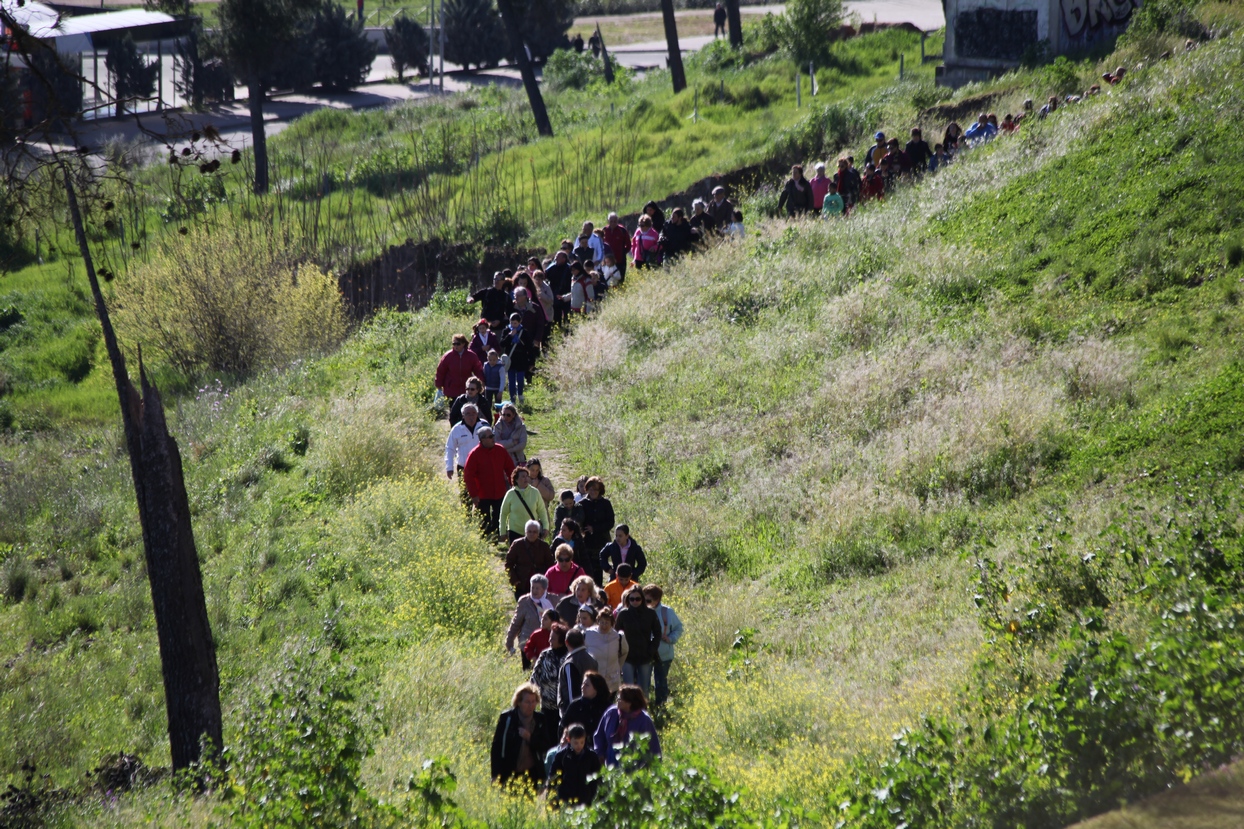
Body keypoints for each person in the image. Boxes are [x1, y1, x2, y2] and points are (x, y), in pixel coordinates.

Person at [491, 682, 553, 788]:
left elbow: (546, 746)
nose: (531, 705)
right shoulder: (507, 719)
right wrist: (495, 774)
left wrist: (530, 738)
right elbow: (497, 748)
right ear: (519, 702)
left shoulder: (540, 720)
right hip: (510, 772)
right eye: (527, 702)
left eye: (533, 701)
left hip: (533, 774)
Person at [463, 425, 515, 537]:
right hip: (483, 494)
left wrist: (514, 486)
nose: (493, 438)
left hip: (500, 492)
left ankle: (496, 538)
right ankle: (486, 540)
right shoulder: (474, 454)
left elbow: (510, 469)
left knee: (499, 517)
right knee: (484, 520)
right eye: (490, 436)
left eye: (493, 435)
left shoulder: (500, 450)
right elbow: (468, 476)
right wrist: (474, 494)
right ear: (482, 439)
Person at [593, 684, 660, 768]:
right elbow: (599, 735)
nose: (617, 700)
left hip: (634, 765)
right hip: (611, 763)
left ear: (630, 702)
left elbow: (653, 747)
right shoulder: (611, 713)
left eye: (620, 698)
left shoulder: (644, 720)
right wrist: (600, 753)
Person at [615, 585, 661, 696]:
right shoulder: (623, 614)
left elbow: (657, 633)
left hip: (645, 655)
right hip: (627, 656)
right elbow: (615, 634)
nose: (635, 601)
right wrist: (619, 651)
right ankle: (627, 711)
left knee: (644, 689)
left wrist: (651, 650)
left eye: (638, 599)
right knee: (628, 688)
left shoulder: (650, 614)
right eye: (632, 599)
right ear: (628, 599)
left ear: (643, 599)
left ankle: (642, 711)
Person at [530, 624, 570, 746]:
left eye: (553, 638)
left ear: (562, 641)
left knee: (561, 739)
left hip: (563, 707)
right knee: (547, 739)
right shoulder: (545, 655)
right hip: (546, 706)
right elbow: (534, 677)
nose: (549, 641)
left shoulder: (569, 656)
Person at [546, 722, 603, 807]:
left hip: (586, 799)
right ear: (569, 739)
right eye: (576, 743)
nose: (579, 746)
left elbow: (598, 777)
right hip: (566, 799)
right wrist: (552, 800)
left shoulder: (591, 756)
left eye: (582, 742)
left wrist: (595, 795)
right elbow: (553, 778)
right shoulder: (562, 756)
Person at [507, 574, 557, 669]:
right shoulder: (525, 601)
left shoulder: (553, 600)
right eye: (532, 587)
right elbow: (516, 623)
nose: (534, 591)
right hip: (529, 646)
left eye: (537, 588)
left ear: (544, 588)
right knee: (529, 675)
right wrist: (509, 641)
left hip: (548, 644)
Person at [644, 584, 682, 706]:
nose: (645, 603)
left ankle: (661, 708)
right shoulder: (640, 611)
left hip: (664, 653)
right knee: (644, 683)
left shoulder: (667, 612)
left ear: (657, 600)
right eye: (643, 599)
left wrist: (671, 638)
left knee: (661, 683)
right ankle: (644, 707)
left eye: (648, 600)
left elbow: (678, 628)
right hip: (646, 653)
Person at [558, 628, 598, 725]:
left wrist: (573, 715)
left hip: (574, 715)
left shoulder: (570, 663)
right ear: (583, 641)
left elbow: (572, 692)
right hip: (591, 711)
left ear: (566, 642)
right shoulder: (592, 659)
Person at [578, 477, 613, 585]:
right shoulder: (582, 504)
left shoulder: (606, 503)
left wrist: (595, 528)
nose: (593, 492)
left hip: (602, 541)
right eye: (591, 489)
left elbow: (610, 522)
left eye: (596, 490)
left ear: (600, 490)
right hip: (587, 541)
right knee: (588, 568)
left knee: (599, 567)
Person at [506, 519, 554, 599]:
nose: (532, 534)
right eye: (529, 531)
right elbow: (508, 564)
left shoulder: (544, 546)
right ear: (525, 532)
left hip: (539, 585)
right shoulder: (517, 544)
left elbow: (550, 565)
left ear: (538, 533)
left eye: (535, 532)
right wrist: (514, 580)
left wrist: (546, 582)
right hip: (522, 584)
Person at [584, 606, 628, 692]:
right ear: (598, 622)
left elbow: (624, 652)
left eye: (607, 622)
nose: (604, 626)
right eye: (602, 622)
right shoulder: (588, 634)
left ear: (612, 623)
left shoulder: (618, 637)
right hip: (594, 678)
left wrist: (618, 667)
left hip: (612, 679)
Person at [500, 467, 550, 542]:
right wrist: (502, 532)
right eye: (523, 476)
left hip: (532, 532)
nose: (526, 478)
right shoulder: (510, 494)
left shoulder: (535, 492)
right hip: (515, 532)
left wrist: (546, 527)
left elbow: (542, 511)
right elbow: (503, 514)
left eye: (527, 476)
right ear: (516, 479)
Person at [435, 334, 484, 404]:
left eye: (458, 344)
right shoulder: (448, 356)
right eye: (454, 344)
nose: (456, 346)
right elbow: (440, 371)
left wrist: (481, 382)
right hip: (451, 390)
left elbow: (478, 370)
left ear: (463, 344)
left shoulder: (471, 356)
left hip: (467, 390)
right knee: (453, 412)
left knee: (466, 411)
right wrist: (438, 384)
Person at [499, 316, 536, 407]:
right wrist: (510, 336)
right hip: (511, 359)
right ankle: (512, 398)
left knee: (520, 379)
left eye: (515, 323)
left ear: (520, 322)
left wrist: (531, 361)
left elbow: (530, 348)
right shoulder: (506, 331)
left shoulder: (524, 332)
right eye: (512, 323)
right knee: (511, 380)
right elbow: (502, 343)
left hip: (521, 359)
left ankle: (520, 394)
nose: (513, 325)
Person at [444, 403, 482, 480]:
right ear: (463, 415)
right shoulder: (456, 429)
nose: (471, 416)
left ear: (477, 414)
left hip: (482, 467)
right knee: (465, 491)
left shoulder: (483, 425)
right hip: (463, 467)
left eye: (474, 413)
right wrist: (449, 467)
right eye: (468, 414)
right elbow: (450, 448)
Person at [601, 213, 630, 284]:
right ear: (608, 221)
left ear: (617, 221)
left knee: (620, 279)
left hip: (620, 260)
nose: (613, 223)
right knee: (607, 279)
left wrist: (622, 253)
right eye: (611, 221)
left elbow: (628, 245)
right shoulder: (604, 230)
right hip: (607, 261)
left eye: (615, 221)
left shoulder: (622, 230)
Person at [482, 349, 505, 413]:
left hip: (497, 388)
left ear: (497, 358)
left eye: (494, 360)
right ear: (487, 358)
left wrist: (500, 391)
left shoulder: (501, 367)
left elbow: (503, 380)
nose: (492, 362)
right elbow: (483, 376)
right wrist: (483, 385)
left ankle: (498, 415)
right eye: (490, 360)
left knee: (498, 404)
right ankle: (488, 415)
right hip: (488, 388)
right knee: (487, 403)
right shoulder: (485, 365)